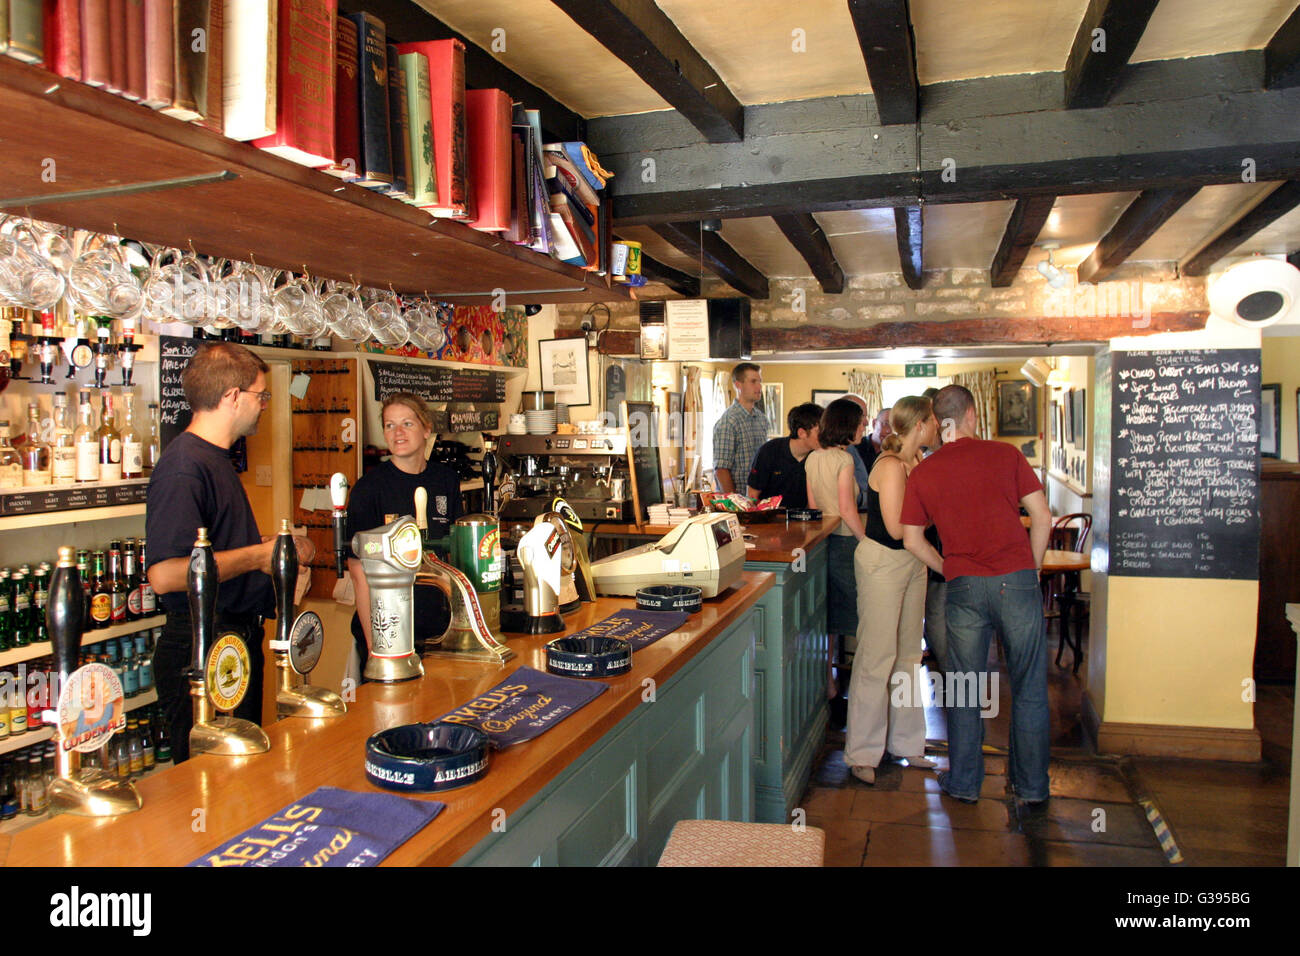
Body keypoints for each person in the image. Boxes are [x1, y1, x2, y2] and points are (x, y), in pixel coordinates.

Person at [145, 342, 316, 763]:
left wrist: (279, 551)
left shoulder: (215, 459)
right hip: (202, 645)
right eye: (261, 396)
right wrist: (259, 556)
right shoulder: (185, 465)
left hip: (230, 639)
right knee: (215, 782)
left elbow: (213, 549)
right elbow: (165, 575)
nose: (263, 406)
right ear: (232, 396)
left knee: (241, 778)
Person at [901, 384, 1053, 806]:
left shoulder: (925, 471)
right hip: (1017, 579)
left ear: (937, 421)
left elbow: (911, 538)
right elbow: (1042, 517)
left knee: (965, 688)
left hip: (963, 585)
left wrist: (948, 567)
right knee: (1029, 688)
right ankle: (1033, 787)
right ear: (971, 414)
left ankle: (965, 783)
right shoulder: (1005, 455)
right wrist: (1033, 568)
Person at [845, 396, 939, 785]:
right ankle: (863, 752)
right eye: (933, 419)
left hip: (911, 563)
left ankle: (907, 744)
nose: (937, 426)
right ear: (919, 424)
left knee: (907, 656)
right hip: (885, 562)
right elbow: (900, 530)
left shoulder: (916, 462)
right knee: (876, 657)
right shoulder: (892, 466)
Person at [346, 392, 462, 677]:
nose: (397, 432)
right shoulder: (369, 489)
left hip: (439, 626)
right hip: (389, 628)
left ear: (426, 429)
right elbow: (359, 572)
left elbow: (458, 559)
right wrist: (377, 648)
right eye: (389, 425)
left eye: (407, 424)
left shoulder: (445, 480)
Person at [805, 398, 868, 707]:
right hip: (846, 542)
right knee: (863, 618)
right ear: (848, 426)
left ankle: (827, 682)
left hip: (822, 543)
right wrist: (866, 541)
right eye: (861, 422)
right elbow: (847, 509)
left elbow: (814, 510)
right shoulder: (844, 461)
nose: (864, 427)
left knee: (828, 618)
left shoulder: (812, 459)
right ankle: (863, 691)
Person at [746, 402, 821, 508]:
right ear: (802, 433)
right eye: (819, 431)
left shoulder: (818, 456)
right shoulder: (769, 451)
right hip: (768, 519)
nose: (824, 436)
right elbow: (752, 495)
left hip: (802, 520)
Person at [711, 362, 768, 494]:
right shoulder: (729, 422)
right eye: (753, 381)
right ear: (738, 385)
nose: (759, 386)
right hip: (738, 503)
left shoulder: (762, 420)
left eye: (760, 382)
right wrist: (736, 504)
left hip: (759, 500)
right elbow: (721, 470)